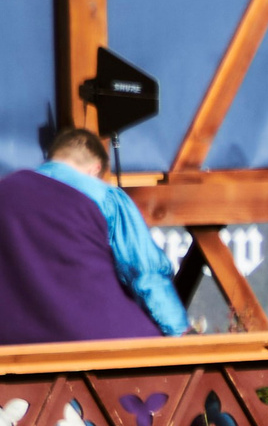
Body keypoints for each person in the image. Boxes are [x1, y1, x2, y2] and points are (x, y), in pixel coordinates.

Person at [0, 126, 188, 345]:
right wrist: (181, 334)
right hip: (101, 344)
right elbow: (144, 272)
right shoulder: (104, 195)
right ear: (95, 168)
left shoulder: (6, 192)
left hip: (16, 345)